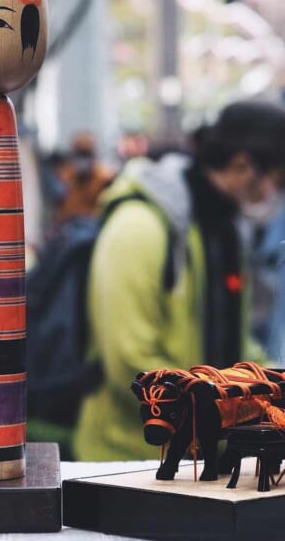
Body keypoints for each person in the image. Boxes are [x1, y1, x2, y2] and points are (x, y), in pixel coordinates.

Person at [74, 99, 285, 461]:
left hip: (201, 457)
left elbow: (237, 342)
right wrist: (217, 409)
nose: (276, 197)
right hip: (128, 459)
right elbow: (129, 361)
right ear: (243, 165)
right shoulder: (140, 226)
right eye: (278, 182)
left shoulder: (228, 230)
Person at [52, 131, 115, 225]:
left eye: (86, 154)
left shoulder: (105, 177)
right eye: (80, 154)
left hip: (95, 227)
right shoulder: (64, 176)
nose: (83, 161)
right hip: (69, 228)